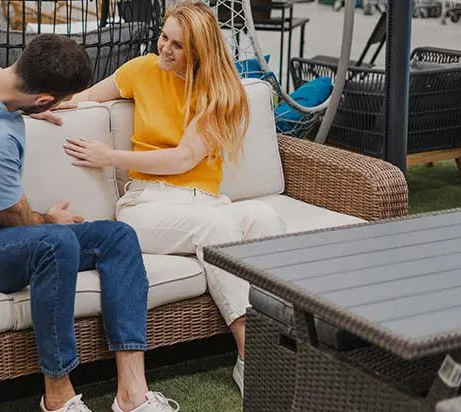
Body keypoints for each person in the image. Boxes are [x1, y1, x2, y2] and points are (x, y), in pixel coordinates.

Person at [0, 34, 179, 412]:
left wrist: (19, 108)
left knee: (119, 236)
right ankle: (58, 396)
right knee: (56, 243)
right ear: (44, 100)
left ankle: (132, 395)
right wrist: (50, 219)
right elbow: (13, 218)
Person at [44, 2, 287, 396]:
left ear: (200, 52)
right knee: (219, 228)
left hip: (204, 202)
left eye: (178, 45)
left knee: (265, 218)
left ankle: (283, 340)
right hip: (147, 205)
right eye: (164, 37)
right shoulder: (142, 70)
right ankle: (249, 355)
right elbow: (84, 98)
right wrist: (42, 105)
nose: (165, 49)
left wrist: (111, 156)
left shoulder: (220, 93)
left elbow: (185, 157)